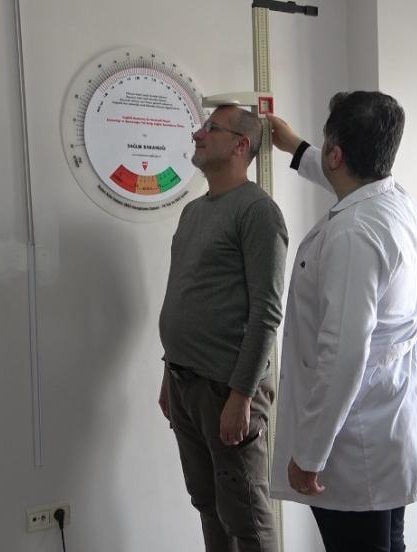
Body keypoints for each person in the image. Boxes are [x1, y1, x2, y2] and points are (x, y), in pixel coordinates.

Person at [267, 92, 417, 552]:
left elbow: (344, 355)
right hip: (387, 419)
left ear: (337, 154)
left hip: (354, 438)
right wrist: (297, 148)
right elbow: (348, 183)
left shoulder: (353, 233)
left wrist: (310, 455)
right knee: (388, 543)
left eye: (326, 144)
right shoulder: (396, 200)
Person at [158, 105, 288, 552]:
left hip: (227, 390)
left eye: (211, 128)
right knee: (208, 504)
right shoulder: (193, 212)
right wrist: (169, 373)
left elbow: (267, 312)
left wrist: (241, 395)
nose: (198, 134)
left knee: (246, 516)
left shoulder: (258, 212)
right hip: (186, 383)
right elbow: (184, 295)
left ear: (240, 145)